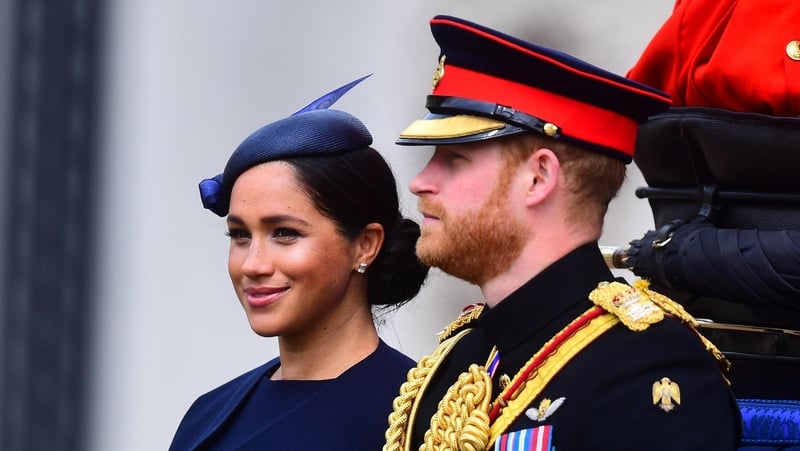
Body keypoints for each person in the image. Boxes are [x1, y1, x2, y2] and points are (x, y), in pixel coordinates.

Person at [382, 15, 741, 450]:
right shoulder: (461, 356)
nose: (420, 182)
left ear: (538, 178)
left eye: (454, 160)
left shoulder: (648, 370)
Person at [168, 79, 429, 450]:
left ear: (365, 245)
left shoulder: (419, 418)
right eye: (240, 235)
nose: (253, 265)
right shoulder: (208, 415)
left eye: (285, 233)